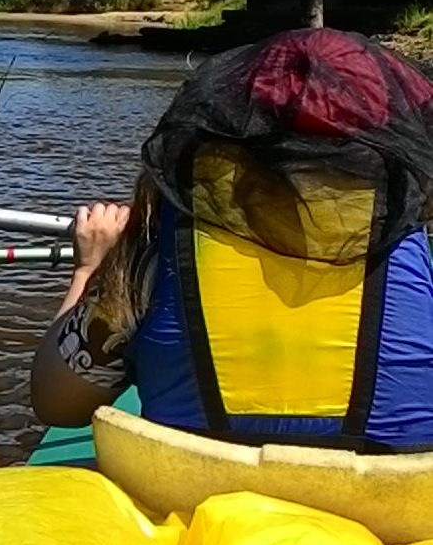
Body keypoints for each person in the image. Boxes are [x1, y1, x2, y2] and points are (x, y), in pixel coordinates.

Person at [32, 28, 433, 452]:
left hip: (196, 502)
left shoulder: (154, 259)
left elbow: (56, 404)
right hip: (386, 503)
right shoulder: (419, 262)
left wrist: (91, 268)